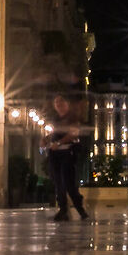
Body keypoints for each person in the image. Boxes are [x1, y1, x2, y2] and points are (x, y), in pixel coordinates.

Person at [41, 87, 93, 221]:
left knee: (68, 182)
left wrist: (58, 143)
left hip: (68, 154)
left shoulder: (72, 118)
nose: (59, 105)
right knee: (58, 182)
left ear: (67, 104)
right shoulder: (55, 119)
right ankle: (63, 210)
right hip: (55, 155)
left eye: (61, 102)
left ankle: (80, 210)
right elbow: (53, 133)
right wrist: (46, 140)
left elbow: (73, 133)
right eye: (56, 103)